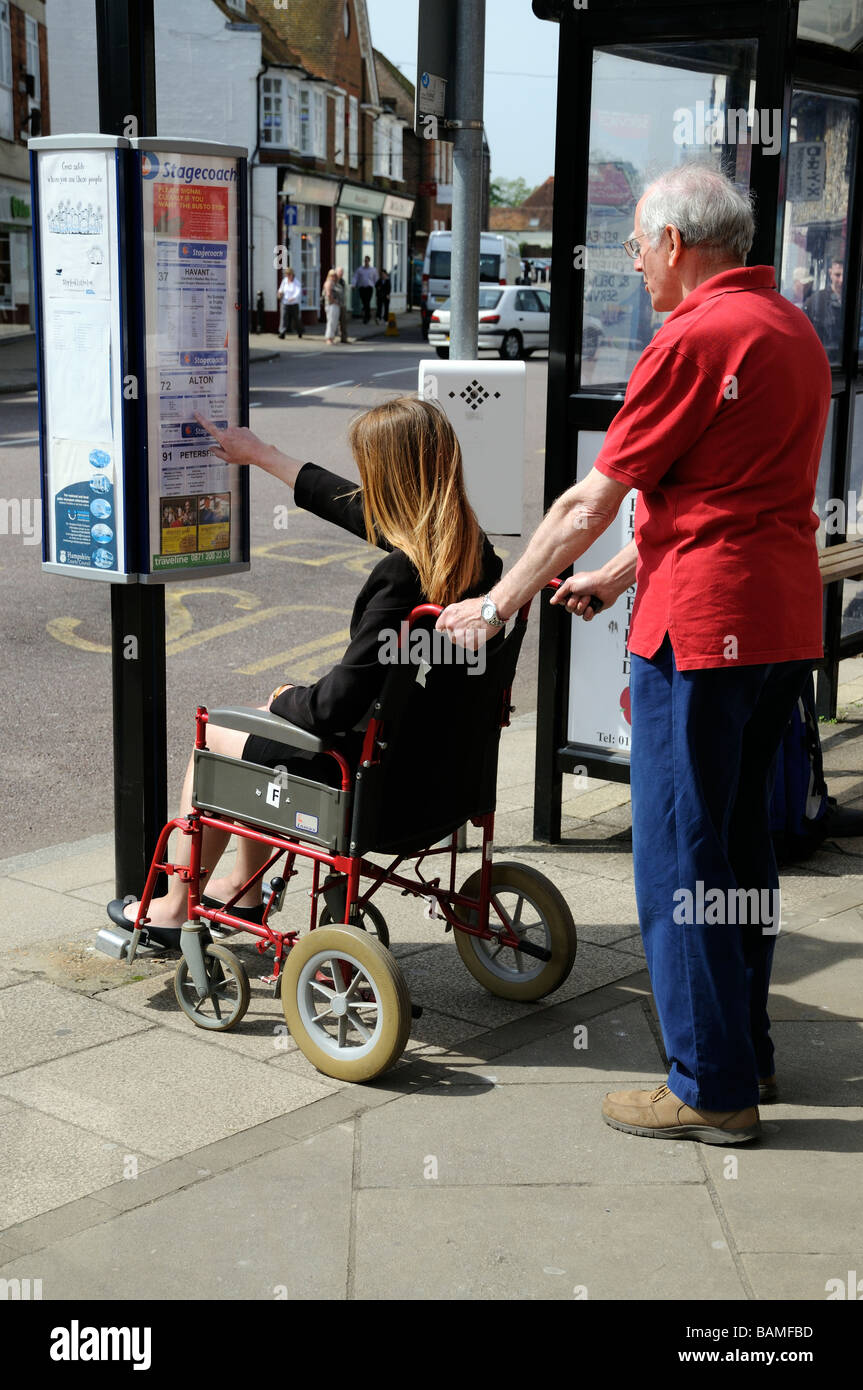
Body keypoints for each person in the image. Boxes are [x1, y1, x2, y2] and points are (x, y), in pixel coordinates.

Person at [437, 162, 832, 1145]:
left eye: (635, 243)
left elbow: (588, 499)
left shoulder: (691, 338)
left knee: (679, 859)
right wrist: (615, 579)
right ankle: (746, 1052)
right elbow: (715, 488)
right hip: (776, 627)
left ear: (676, 244)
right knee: (739, 849)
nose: (630, 259)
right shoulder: (788, 330)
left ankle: (707, 1086)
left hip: (700, 633)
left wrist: (500, 597)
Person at [109, 398, 501, 944]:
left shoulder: (401, 577)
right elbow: (352, 507)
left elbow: (333, 706)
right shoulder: (476, 555)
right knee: (261, 731)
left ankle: (176, 906)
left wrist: (285, 698)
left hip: (377, 790)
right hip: (444, 782)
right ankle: (244, 889)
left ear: (390, 480)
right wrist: (262, 454)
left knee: (224, 731)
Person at [805, 256, 844, 356]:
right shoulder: (816, 300)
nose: (841, 280)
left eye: (845, 275)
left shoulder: (857, 301)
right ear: (830, 273)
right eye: (837, 275)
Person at [277, 267, 303, 339]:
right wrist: (279, 293)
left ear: (292, 274)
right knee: (284, 318)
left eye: (289, 274)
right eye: (287, 275)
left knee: (296, 319)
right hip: (285, 303)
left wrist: (293, 297)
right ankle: (282, 332)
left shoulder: (296, 282)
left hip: (294, 303)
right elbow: (281, 289)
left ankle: (299, 331)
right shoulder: (284, 281)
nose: (288, 276)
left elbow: (298, 292)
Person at [352, 255, 378, 323]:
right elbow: (355, 277)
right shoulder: (360, 269)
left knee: (367, 301)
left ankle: (366, 317)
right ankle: (368, 315)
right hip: (362, 288)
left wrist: (378, 286)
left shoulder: (373, 270)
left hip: (369, 288)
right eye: (365, 261)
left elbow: (376, 279)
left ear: (369, 261)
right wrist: (353, 284)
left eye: (367, 261)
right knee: (364, 302)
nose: (366, 262)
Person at [322, 268, 341, 345]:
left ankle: (332, 337)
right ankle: (328, 338)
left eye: (334, 275)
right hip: (331, 305)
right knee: (331, 322)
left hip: (334, 305)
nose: (333, 277)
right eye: (332, 275)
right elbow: (329, 294)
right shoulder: (329, 283)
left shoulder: (334, 283)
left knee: (334, 322)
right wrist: (334, 301)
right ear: (329, 276)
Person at [335, 267, 350, 342]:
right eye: (340, 272)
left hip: (343, 304)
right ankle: (331, 337)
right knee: (334, 322)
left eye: (342, 272)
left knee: (343, 321)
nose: (341, 274)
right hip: (335, 304)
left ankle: (344, 338)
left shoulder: (343, 281)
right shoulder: (333, 281)